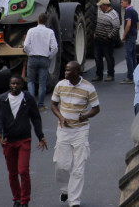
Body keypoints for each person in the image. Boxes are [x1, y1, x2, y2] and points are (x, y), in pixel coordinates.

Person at [50, 61, 99, 207]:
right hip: (64, 130)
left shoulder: (88, 88)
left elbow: (96, 108)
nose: (65, 73)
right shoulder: (60, 85)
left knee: (79, 167)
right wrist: (60, 117)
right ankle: (65, 190)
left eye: (68, 70)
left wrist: (86, 116)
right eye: (65, 70)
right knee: (61, 165)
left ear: (76, 72)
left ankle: (74, 200)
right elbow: (53, 104)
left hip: (81, 131)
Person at [0, 75, 47, 207]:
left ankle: (25, 200)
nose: (15, 86)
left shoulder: (28, 98)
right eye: (12, 83)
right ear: (9, 84)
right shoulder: (2, 99)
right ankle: (16, 199)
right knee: (12, 173)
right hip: (8, 141)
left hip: (24, 140)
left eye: (18, 84)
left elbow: (36, 118)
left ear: (22, 85)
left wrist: (40, 136)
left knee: (23, 171)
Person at [22, 12, 58, 109]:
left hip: (33, 58)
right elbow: (55, 48)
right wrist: (49, 56)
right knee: (42, 83)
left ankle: (32, 104)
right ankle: (41, 104)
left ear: (38, 20)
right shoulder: (50, 32)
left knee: (30, 81)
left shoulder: (31, 31)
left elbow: (25, 45)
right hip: (44, 58)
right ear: (46, 22)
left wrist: (29, 53)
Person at [92, 0, 120, 82]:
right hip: (98, 39)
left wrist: (109, 36)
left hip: (107, 40)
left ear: (105, 5)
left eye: (101, 5)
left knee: (109, 57)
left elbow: (116, 27)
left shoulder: (113, 14)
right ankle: (98, 75)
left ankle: (110, 75)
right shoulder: (101, 12)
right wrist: (95, 33)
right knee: (97, 57)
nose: (100, 7)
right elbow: (98, 24)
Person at [120, 0, 139, 84]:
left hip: (130, 36)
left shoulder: (128, 11)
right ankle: (135, 74)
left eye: (122, 2)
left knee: (128, 56)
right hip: (134, 35)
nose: (121, 4)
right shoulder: (134, 11)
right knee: (133, 56)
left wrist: (124, 35)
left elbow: (128, 24)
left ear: (126, 2)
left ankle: (130, 76)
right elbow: (138, 25)